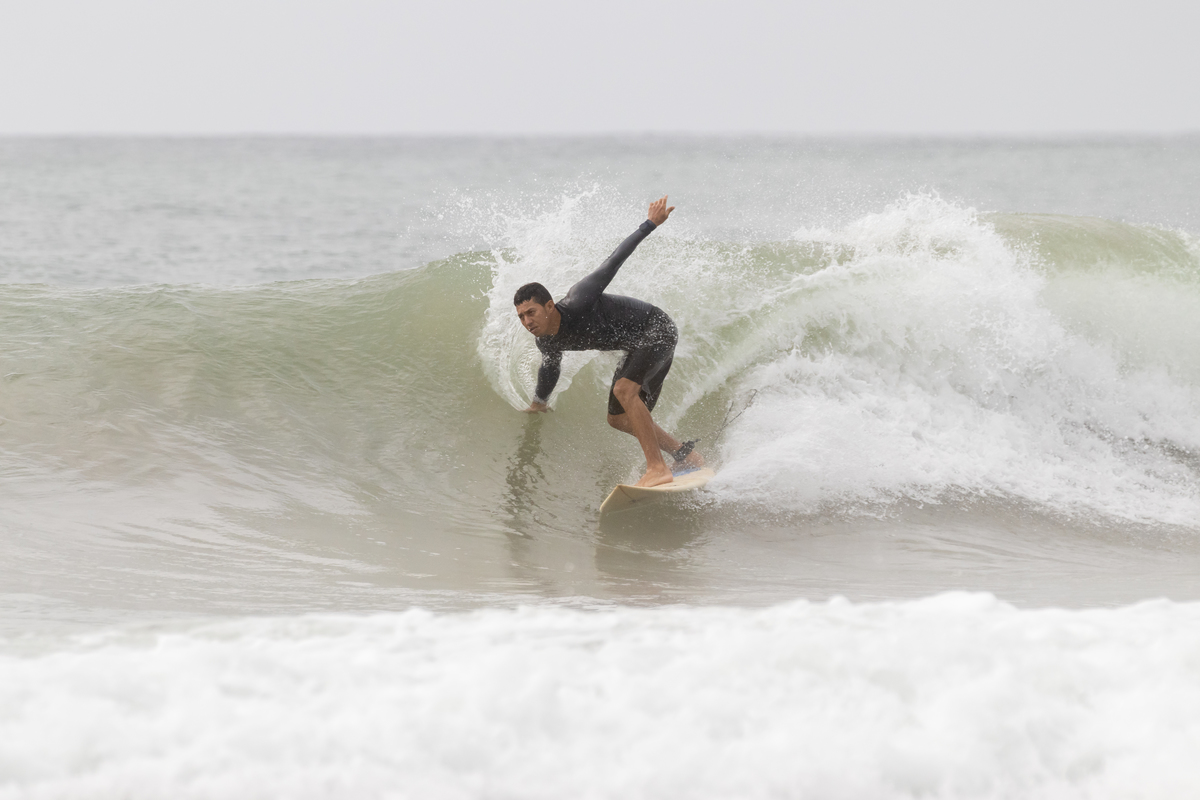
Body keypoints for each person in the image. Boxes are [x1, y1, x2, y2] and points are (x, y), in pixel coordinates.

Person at [513, 196, 703, 488]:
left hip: (657, 329)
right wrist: (539, 403)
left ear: (549, 306)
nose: (527, 322)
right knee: (617, 418)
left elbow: (614, 260)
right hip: (637, 346)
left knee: (625, 390)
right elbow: (550, 368)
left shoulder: (580, 298)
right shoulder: (547, 341)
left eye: (531, 313)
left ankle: (657, 468)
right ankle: (684, 454)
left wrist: (650, 224)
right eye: (522, 317)